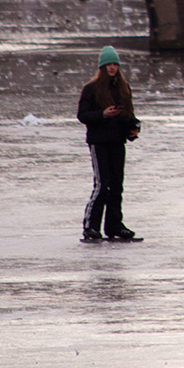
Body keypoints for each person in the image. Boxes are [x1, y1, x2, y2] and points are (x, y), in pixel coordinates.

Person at [77, 46, 141, 241]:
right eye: (108, 65)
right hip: (99, 142)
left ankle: (114, 225)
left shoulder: (123, 88)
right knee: (102, 184)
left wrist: (134, 127)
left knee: (116, 185)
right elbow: (82, 115)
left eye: (115, 64)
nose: (112, 68)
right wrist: (103, 114)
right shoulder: (91, 89)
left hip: (117, 141)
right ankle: (91, 226)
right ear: (102, 67)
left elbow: (128, 115)